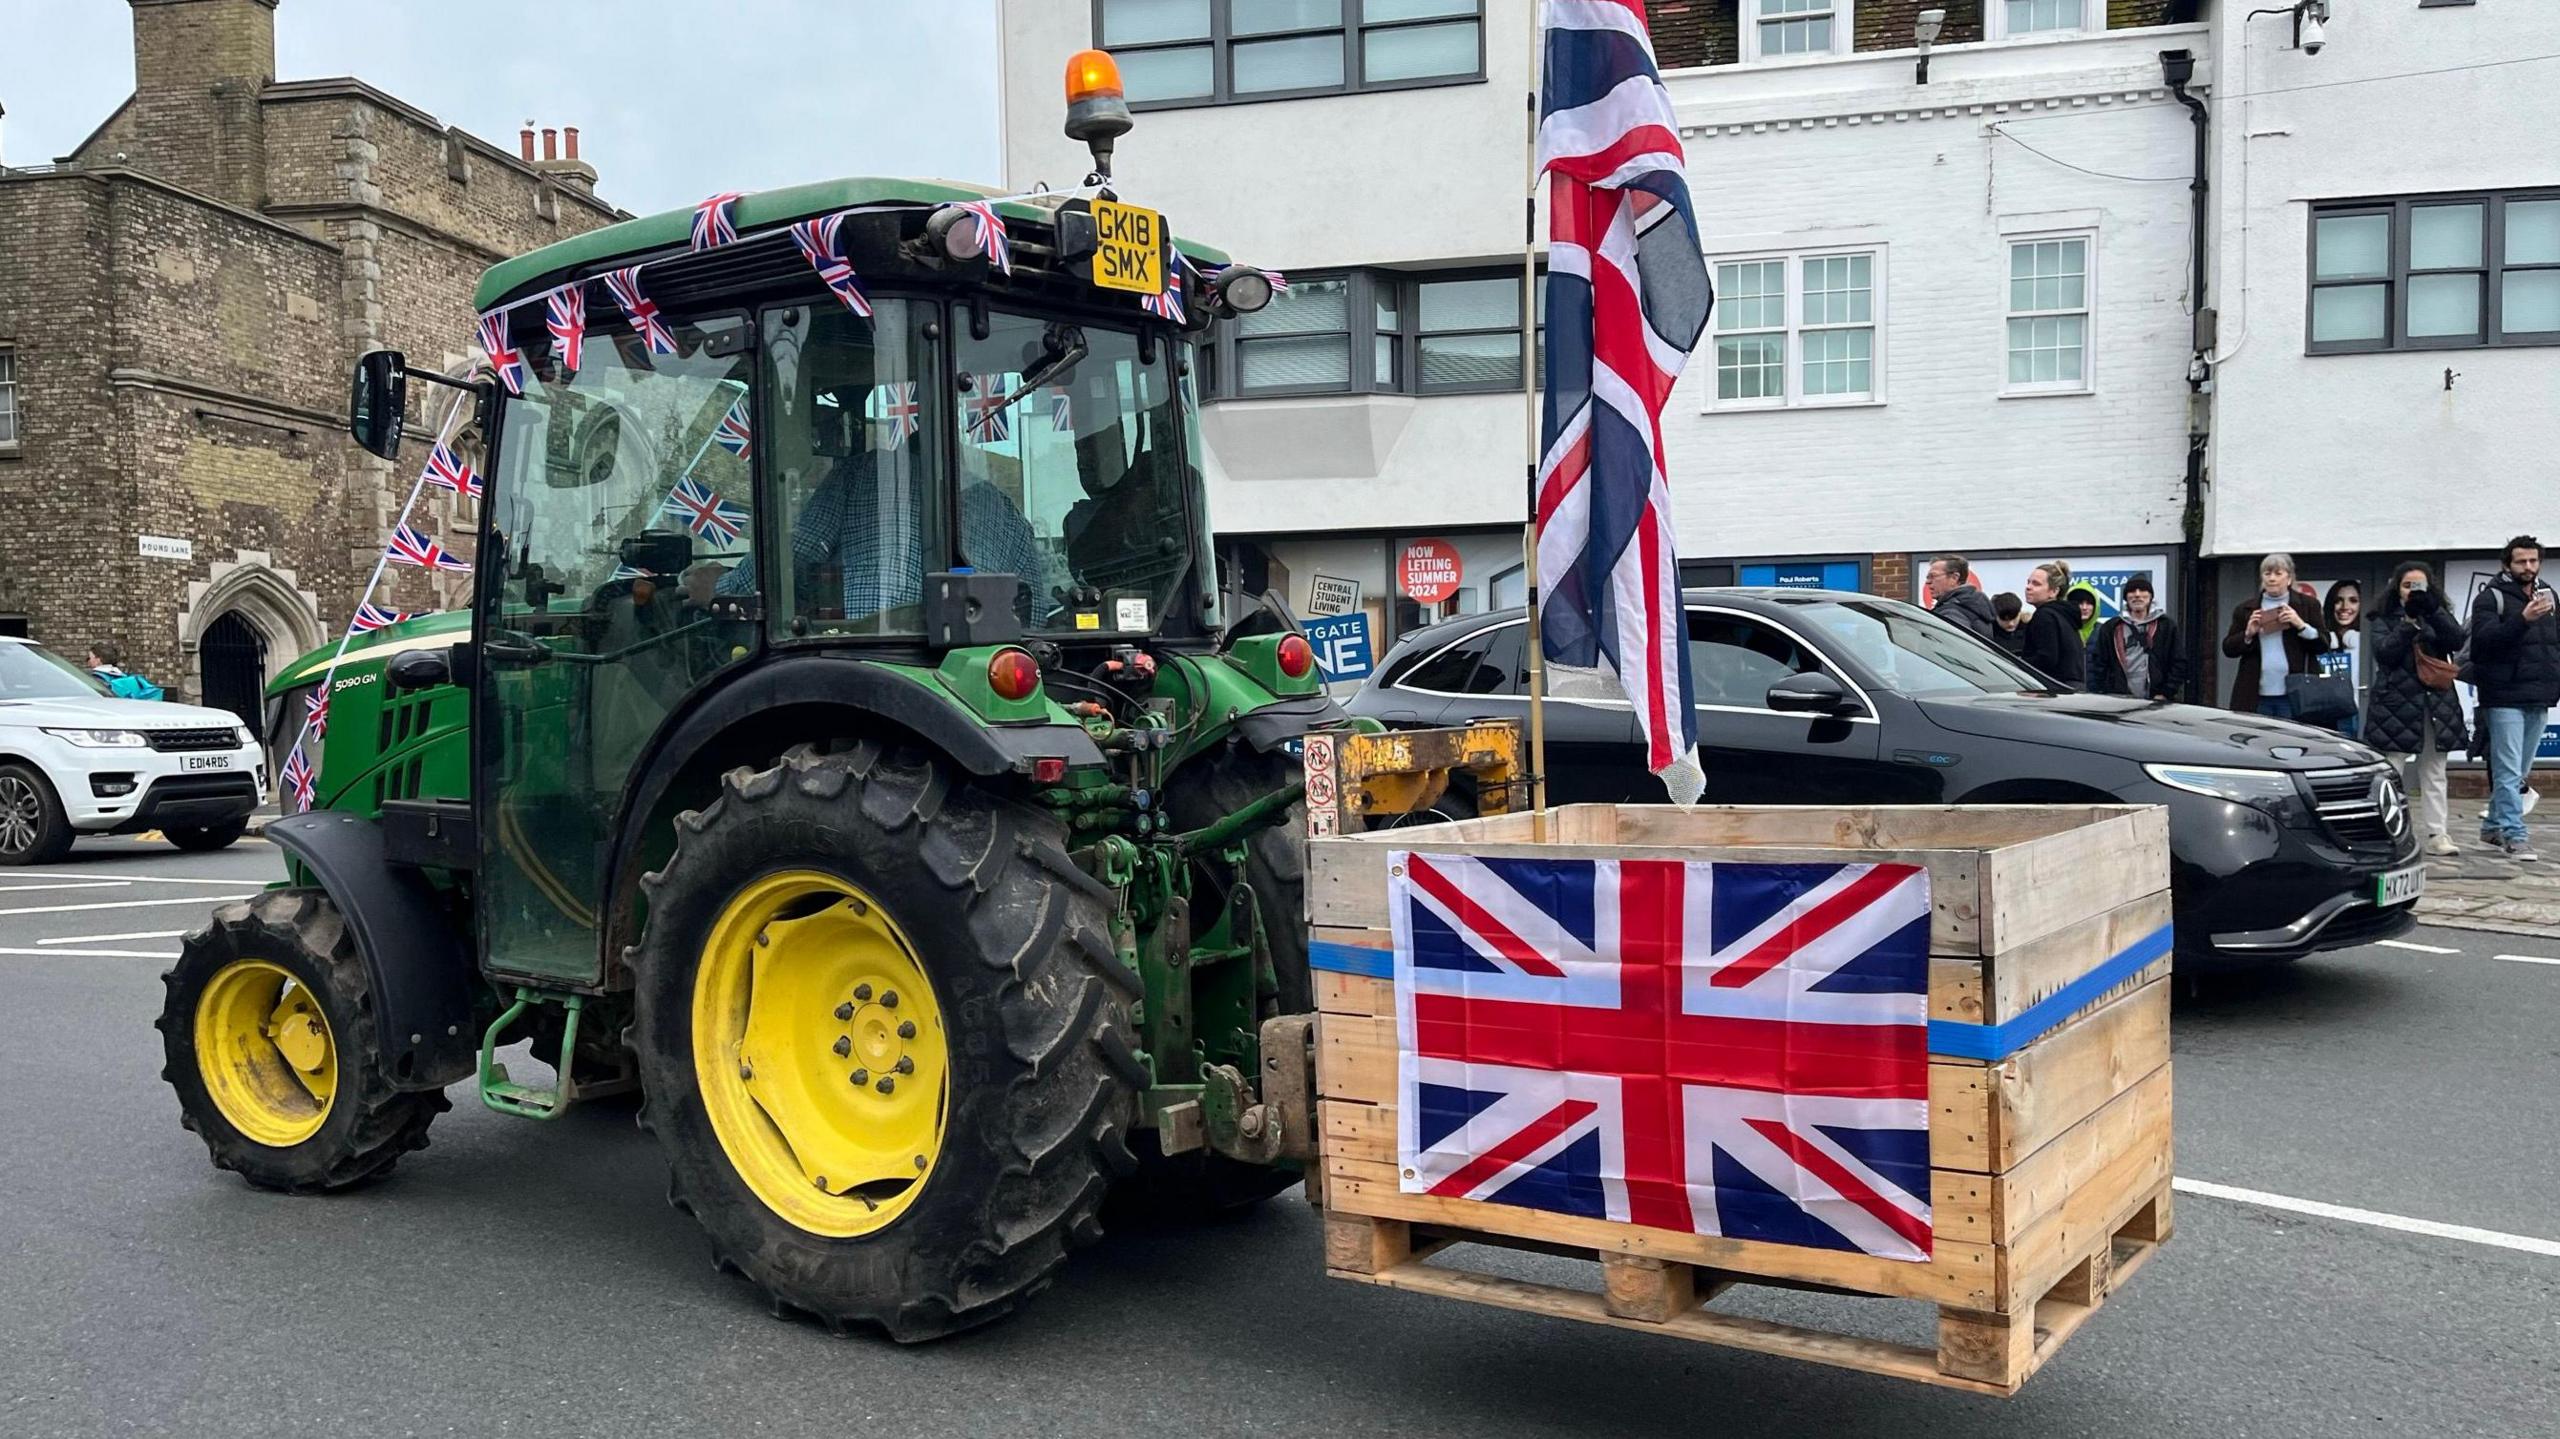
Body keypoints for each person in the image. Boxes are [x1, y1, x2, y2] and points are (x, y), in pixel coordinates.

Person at [2365, 562, 2467, 858]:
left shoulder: (2437, 613)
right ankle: (2389, 830)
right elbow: (2385, 654)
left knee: (2435, 771)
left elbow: (2457, 640)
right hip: (2395, 704)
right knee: (2391, 769)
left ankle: (2438, 833)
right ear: (2396, 588)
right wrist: (2408, 623)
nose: (2413, 591)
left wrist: (2433, 611)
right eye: (2407, 586)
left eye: (2419, 586)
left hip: (2435, 702)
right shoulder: (2382, 617)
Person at [2468, 534, 2557, 861]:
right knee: (2507, 772)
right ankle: (2514, 835)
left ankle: (2492, 827)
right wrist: (2523, 620)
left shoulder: (2549, 596)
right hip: (2503, 695)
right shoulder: (2490, 598)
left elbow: (2553, 647)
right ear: (2507, 564)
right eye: (2521, 561)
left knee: (2518, 772)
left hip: (2539, 694)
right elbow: (2483, 645)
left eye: (2533, 561)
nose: (2529, 567)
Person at [2220, 553, 2321, 717]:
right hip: (2256, 695)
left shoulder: (2307, 605)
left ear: (2289, 578)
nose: (2272, 579)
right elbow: (2228, 649)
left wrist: (2300, 624)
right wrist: (2248, 634)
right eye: (2267, 574)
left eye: (2278, 573)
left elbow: (2322, 645)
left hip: (2295, 694)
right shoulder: (2246, 609)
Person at [2088, 572, 2183, 700]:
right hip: (2118, 701)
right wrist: (2105, 694)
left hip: (2158, 702)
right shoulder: (2111, 627)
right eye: (2132, 591)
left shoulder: (2166, 626)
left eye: (2142, 590)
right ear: (2126, 597)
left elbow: (2179, 662)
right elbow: (2098, 665)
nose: (2137, 594)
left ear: (2150, 596)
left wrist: (2166, 692)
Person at [2017, 562, 2086, 688]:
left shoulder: (2045, 616)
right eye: (2028, 582)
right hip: (2073, 688)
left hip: (2055, 691)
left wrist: (2018, 664)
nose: (2028, 587)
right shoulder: (2064, 614)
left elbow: (2046, 658)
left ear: (2054, 591)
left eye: (2036, 584)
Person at [2315, 580, 2365, 738]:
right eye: (2338, 600)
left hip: (2359, 710)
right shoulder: (2324, 639)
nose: (2345, 607)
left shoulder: (2366, 639)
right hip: (2324, 713)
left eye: (2353, 600)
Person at [1924, 554, 1998, 642]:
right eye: (1928, 577)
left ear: (1954, 577)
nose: (1928, 582)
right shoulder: (1974, 605)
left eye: (1933, 576)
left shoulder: (1951, 614)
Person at [84, 643, 164, 701]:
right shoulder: (133, 679)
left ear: (98, 660)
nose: (87, 661)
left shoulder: (94, 680)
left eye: (90, 658)